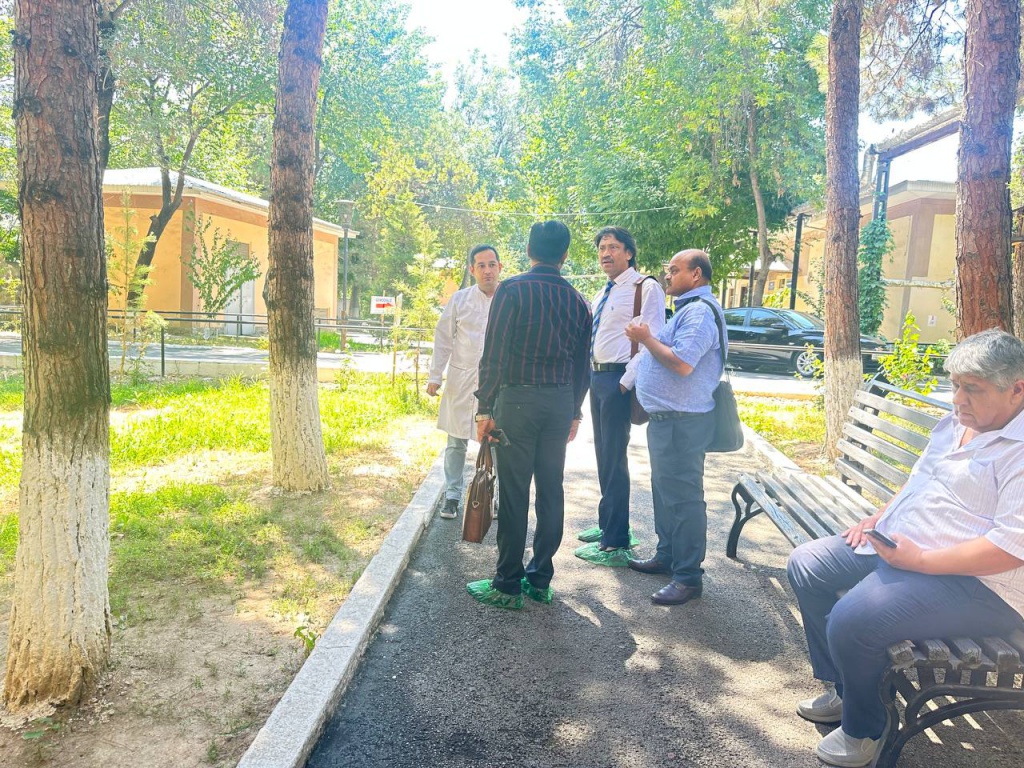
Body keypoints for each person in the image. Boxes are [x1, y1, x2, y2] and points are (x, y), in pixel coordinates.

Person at [786, 328, 1024, 768]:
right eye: (955, 386)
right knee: (808, 565)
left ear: (1017, 389)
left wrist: (919, 560)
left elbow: (1010, 548)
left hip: (979, 583)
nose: (958, 399)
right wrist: (880, 516)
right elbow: (922, 480)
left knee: (853, 619)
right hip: (905, 545)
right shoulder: (959, 422)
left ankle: (866, 729)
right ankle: (849, 691)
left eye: (972, 389)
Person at [467, 220, 592, 610]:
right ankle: (540, 579)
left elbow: (495, 353)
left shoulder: (513, 290)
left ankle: (507, 583)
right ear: (565, 255)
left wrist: (484, 407)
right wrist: (574, 412)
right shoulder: (578, 301)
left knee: (516, 489)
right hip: (558, 404)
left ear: (528, 251)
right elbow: (581, 366)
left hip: (517, 402)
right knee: (551, 489)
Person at [623, 249, 725, 607]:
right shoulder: (687, 310)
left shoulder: (698, 313)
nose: (667, 276)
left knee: (683, 499)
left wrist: (646, 337)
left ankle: (688, 577)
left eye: (674, 270)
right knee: (666, 493)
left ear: (696, 275)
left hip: (684, 424)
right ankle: (668, 556)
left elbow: (682, 364)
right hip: (669, 422)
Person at [575, 226, 666, 568]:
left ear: (629, 252)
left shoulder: (646, 288)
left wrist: (626, 384)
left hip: (617, 379)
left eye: (613, 247)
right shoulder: (604, 292)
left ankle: (616, 540)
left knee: (614, 457)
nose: (605, 253)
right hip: (598, 377)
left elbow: (651, 340)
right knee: (603, 455)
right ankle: (607, 525)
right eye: (601, 248)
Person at [426, 245, 502, 520]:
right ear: (472, 270)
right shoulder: (459, 300)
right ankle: (453, 495)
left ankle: (497, 498)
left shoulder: (508, 298)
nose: (487, 270)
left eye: (491, 264)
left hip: (497, 384)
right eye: (481, 265)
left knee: (497, 441)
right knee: (456, 441)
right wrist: (435, 375)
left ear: (500, 267)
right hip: (462, 379)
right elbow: (443, 339)